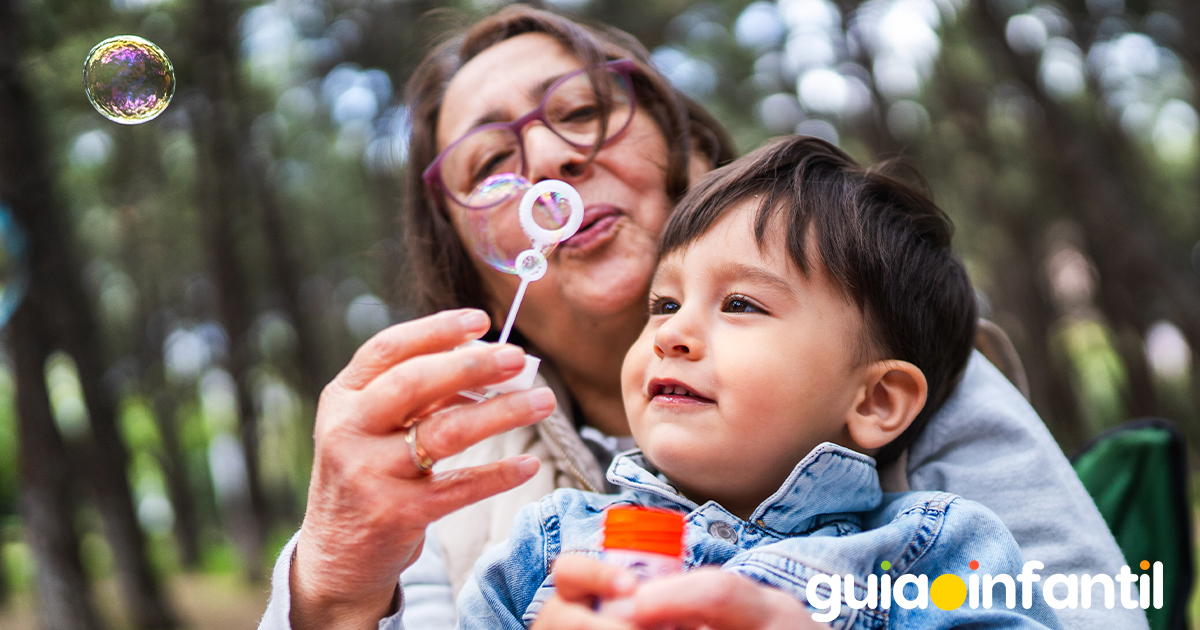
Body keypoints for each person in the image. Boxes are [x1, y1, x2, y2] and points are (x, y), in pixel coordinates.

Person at [260, 6, 1144, 630]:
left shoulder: (890, 368)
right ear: (474, 272)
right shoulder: (461, 487)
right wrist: (329, 595)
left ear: (696, 157)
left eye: (581, 111)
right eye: (492, 162)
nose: (550, 161)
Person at [458, 136, 1060, 629]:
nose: (672, 333)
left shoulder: (927, 552)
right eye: (664, 304)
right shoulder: (547, 544)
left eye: (741, 303)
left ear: (876, 400)